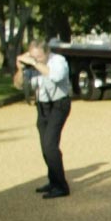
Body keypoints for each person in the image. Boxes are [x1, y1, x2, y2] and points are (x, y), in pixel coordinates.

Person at [16, 38, 72, 197]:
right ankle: (53, 180)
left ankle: (62, 186)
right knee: (44, 145)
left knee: (50, 145)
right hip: (42, 106)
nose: (35, 59)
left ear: (47, 53)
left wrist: (35, 64)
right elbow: (18, 85)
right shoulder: (32, 64)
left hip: (59, 104)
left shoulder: (58, 61)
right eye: (33, 56)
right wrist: (20, 68)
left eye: (39, 56)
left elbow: (55, 76)